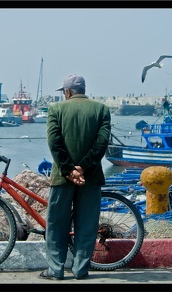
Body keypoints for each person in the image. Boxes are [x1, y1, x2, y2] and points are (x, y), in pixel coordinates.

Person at [40, 74, 111, 281]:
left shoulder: (56, 110)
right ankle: (80, 270)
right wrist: (83, 168)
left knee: (56, 224)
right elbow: (101, 144)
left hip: (62, 178)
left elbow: (54, 142)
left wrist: (69, 170)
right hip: (91, 177)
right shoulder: (101, 110)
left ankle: (56, 270)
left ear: (67, 92)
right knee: (87, 225)